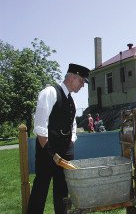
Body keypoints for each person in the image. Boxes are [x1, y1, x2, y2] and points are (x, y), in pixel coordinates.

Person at [26, 63, 90, 214]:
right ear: (72, 77)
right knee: (41, 188)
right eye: (81, 81)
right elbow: (40, 127)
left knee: (62, 190)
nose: (82, 86)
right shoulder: (50, 92)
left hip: (65, 151)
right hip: (48, 150)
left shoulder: (72, 101)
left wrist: (71, 143)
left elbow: (73, 124)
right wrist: (51, 153)